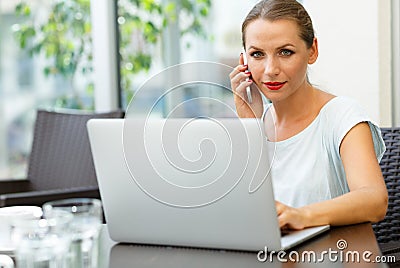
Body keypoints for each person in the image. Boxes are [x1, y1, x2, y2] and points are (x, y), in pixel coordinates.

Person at [229, 0, 388, 230]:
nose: (270, 69)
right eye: (257, 54)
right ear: (244, 60)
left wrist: (301, 216)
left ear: (312, 50)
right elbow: (243, 213)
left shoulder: (342, 116)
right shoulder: (256, 123)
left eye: (285, 52)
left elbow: (375, 200)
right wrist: (249, 124)